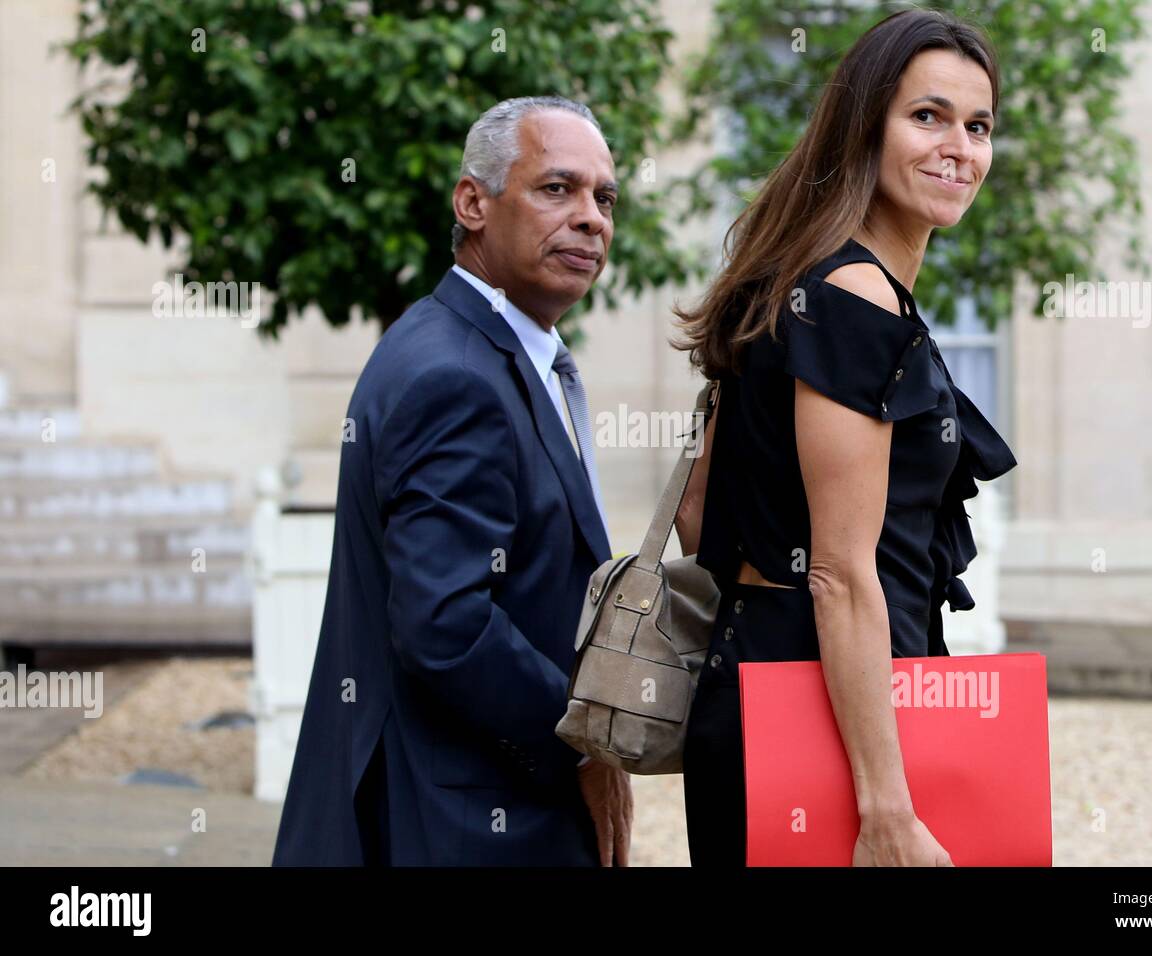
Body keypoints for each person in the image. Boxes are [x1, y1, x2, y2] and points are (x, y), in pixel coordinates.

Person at [671, 9, 1016, 867]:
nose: (959, 148)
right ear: (866, 125)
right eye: (928, 116)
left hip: (765, 694)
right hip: (826, 725)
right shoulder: (854, 298)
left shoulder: (805, 281)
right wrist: (886, 806)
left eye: (978, 127)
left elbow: (696, 508)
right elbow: (839, 574)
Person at [273, 96, 633, 866]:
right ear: (473, 202)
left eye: (604, 198)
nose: (591, 218)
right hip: (462, 823)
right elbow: (446, 625)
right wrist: (583, 744)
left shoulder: (487, 353)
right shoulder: (454, 374)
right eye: (556, 189)